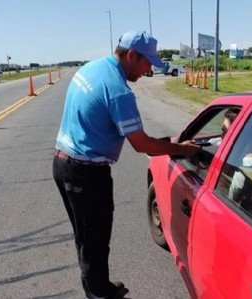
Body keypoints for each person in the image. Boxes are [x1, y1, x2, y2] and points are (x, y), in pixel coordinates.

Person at [52, 30, 201, 299]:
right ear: (132, 55)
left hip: (64, 164)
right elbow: (142, 144)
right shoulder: (120, 92)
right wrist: (181, 149)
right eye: (147, 63)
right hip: (85, 174)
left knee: (86, 236)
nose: (148, 70)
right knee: (94, 239)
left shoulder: (92, 68)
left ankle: (98, 286)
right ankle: (98, 293)